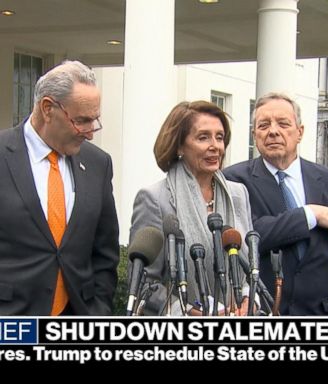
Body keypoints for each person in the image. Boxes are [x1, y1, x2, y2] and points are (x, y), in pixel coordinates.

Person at [223, 92, 328, 316]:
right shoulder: (233, 181)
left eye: (283, 124)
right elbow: (247, 236)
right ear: (254, 134)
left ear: (300, 132)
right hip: (259, 319)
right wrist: (309, 215)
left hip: (318, 321)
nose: (273, 131)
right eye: (263, 125)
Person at [0, 60, 119, 315]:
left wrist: (97, 314)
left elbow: (105, 254)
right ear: (47, 108)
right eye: (82, 120)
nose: (90, 132)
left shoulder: (98, 163)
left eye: (94, 120)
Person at [129, 100, 254, 316]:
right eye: (203, 137)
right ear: (179, 146)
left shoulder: (238, 194)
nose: (215, 145)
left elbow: (249, 266)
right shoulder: (154, 199)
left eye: (220, 137)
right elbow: (144, 285)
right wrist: (189, 311)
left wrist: (248, 300)